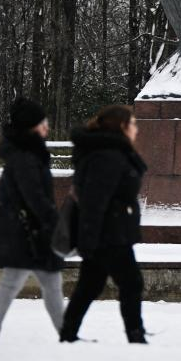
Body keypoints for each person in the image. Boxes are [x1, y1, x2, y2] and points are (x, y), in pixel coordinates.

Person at [60, 105, 148, 344]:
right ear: (122, 126)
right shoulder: (108, 156)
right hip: (109, 234)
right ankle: (136, 335)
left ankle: (68, 333)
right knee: (131, 283)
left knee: (90, 285)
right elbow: (94, 200)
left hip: (108, 231)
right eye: (133, 123)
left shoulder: (111, 152)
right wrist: (89, 239)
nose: (136, 129)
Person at [0, 96, 64, 338]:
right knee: (38, 284)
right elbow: (34, 197)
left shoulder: (27, 152)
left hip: (25, 231)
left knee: (38, 284)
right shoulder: (25, 156)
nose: (47, 127)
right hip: (27, 233)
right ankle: (67, 334)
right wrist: (54, 221)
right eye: (42, 123)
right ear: (31, 126)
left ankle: (66, 333)